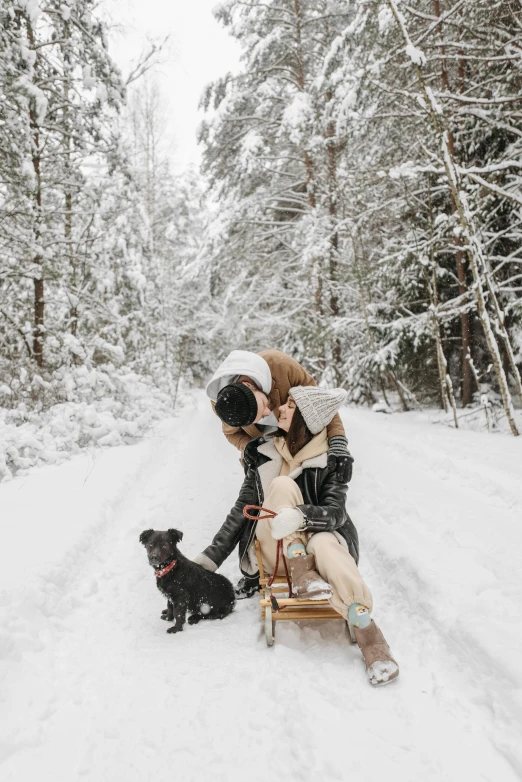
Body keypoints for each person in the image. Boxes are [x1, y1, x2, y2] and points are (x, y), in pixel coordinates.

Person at [194, 385, 399, 686]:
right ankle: (298, 564)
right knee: (281, 486)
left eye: (291, 405)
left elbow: (336, 513)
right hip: (274, 544)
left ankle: (368, 631)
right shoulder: (263, 456)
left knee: (327, 542)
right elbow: (242, 511)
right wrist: (211, 558)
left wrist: (302, 517)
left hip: (318, 538)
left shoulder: (332, 460)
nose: (281, 409)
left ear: (307, 418)